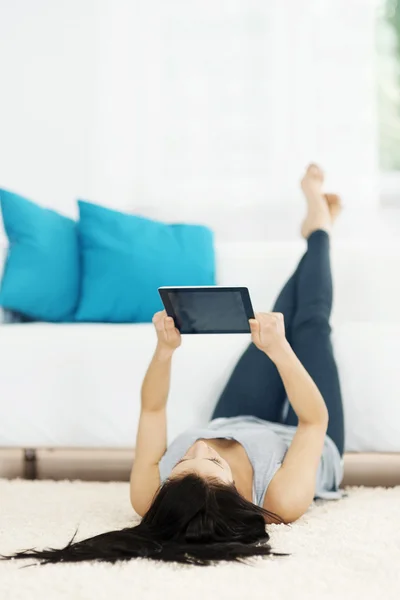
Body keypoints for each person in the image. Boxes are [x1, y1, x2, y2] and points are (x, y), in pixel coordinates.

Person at [3, 164, 346, 567]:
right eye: (214, 462)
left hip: (236, 420)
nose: (199, 446)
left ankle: (313, 235)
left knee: (276, 312)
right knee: (310, 323)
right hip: (309, 439)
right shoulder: (281, 499)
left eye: (183, 461)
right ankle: (320, 228)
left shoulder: (149, 494)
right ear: (237, 495)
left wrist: (164, 350)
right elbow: (312, 420)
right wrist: (281, 350)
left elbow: (152, 409)